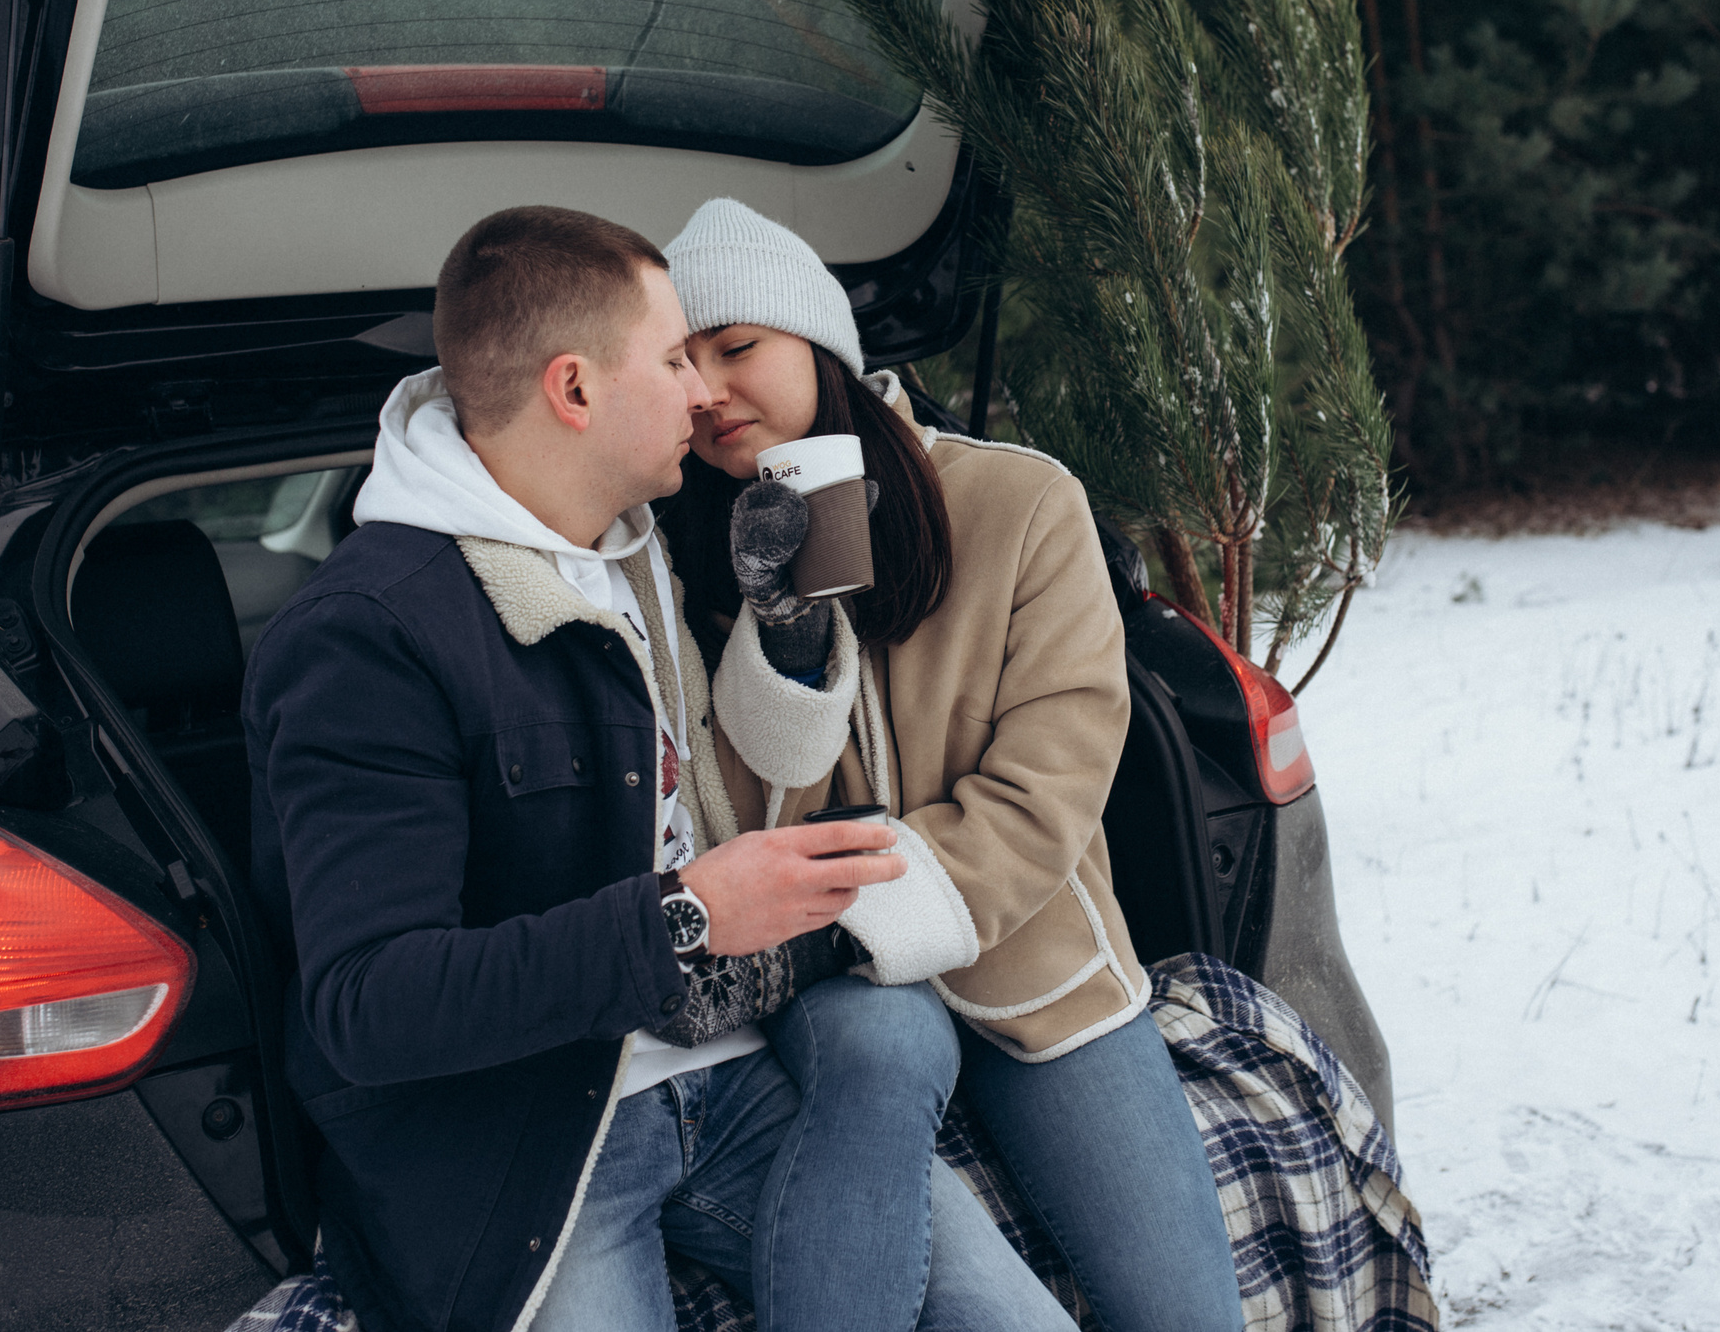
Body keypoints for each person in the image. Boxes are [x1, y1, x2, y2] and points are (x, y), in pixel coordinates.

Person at [243, 206, 1075, 1332]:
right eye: (677, 355)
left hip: (730, 1073)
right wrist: (682, 917)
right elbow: (369, 1004)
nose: (702, 391)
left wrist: (791, 626)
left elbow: (752, 769)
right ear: (575, 390)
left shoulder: (634, 552)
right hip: (534, 1137)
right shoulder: (368, 634)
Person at [660, 199, 1244, 1332]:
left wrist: (854, 916)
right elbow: (743, 814)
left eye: (738, 348)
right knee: (879, 1050)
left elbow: (1050, 786)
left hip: (1038, 965)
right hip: (833, 989)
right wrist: (782, 622)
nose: (710, 387)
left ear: (821, 346)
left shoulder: (1019, 501)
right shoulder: (681, 545)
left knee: (1186, 1313)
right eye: (682, 362)